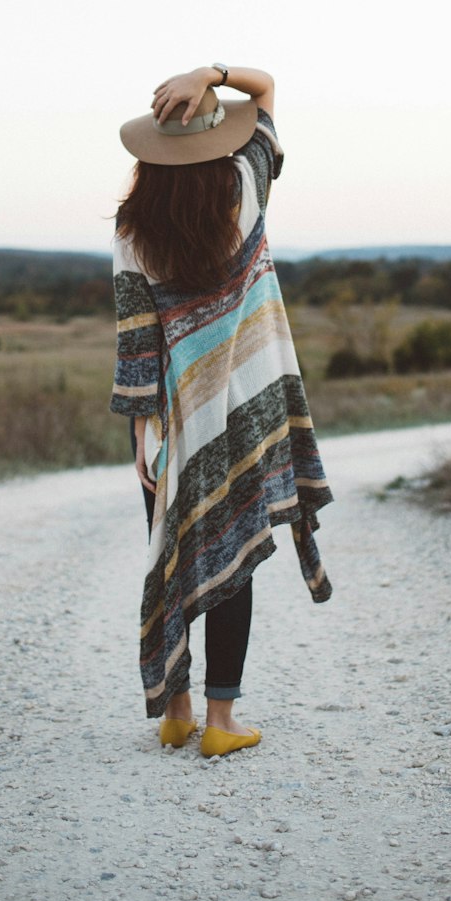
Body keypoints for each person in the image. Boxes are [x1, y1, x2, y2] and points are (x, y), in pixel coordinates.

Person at [110, 63, 333, 758]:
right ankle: (221, 722)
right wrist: (214, 71)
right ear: (215, 137)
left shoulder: (132, 227)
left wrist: (141, 431)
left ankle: (174, 710)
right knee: (233, 551)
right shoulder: (245, 185)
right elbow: (265, 92)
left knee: (172, 549)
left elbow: (137, 340)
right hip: (248, 412)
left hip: (173, 422)